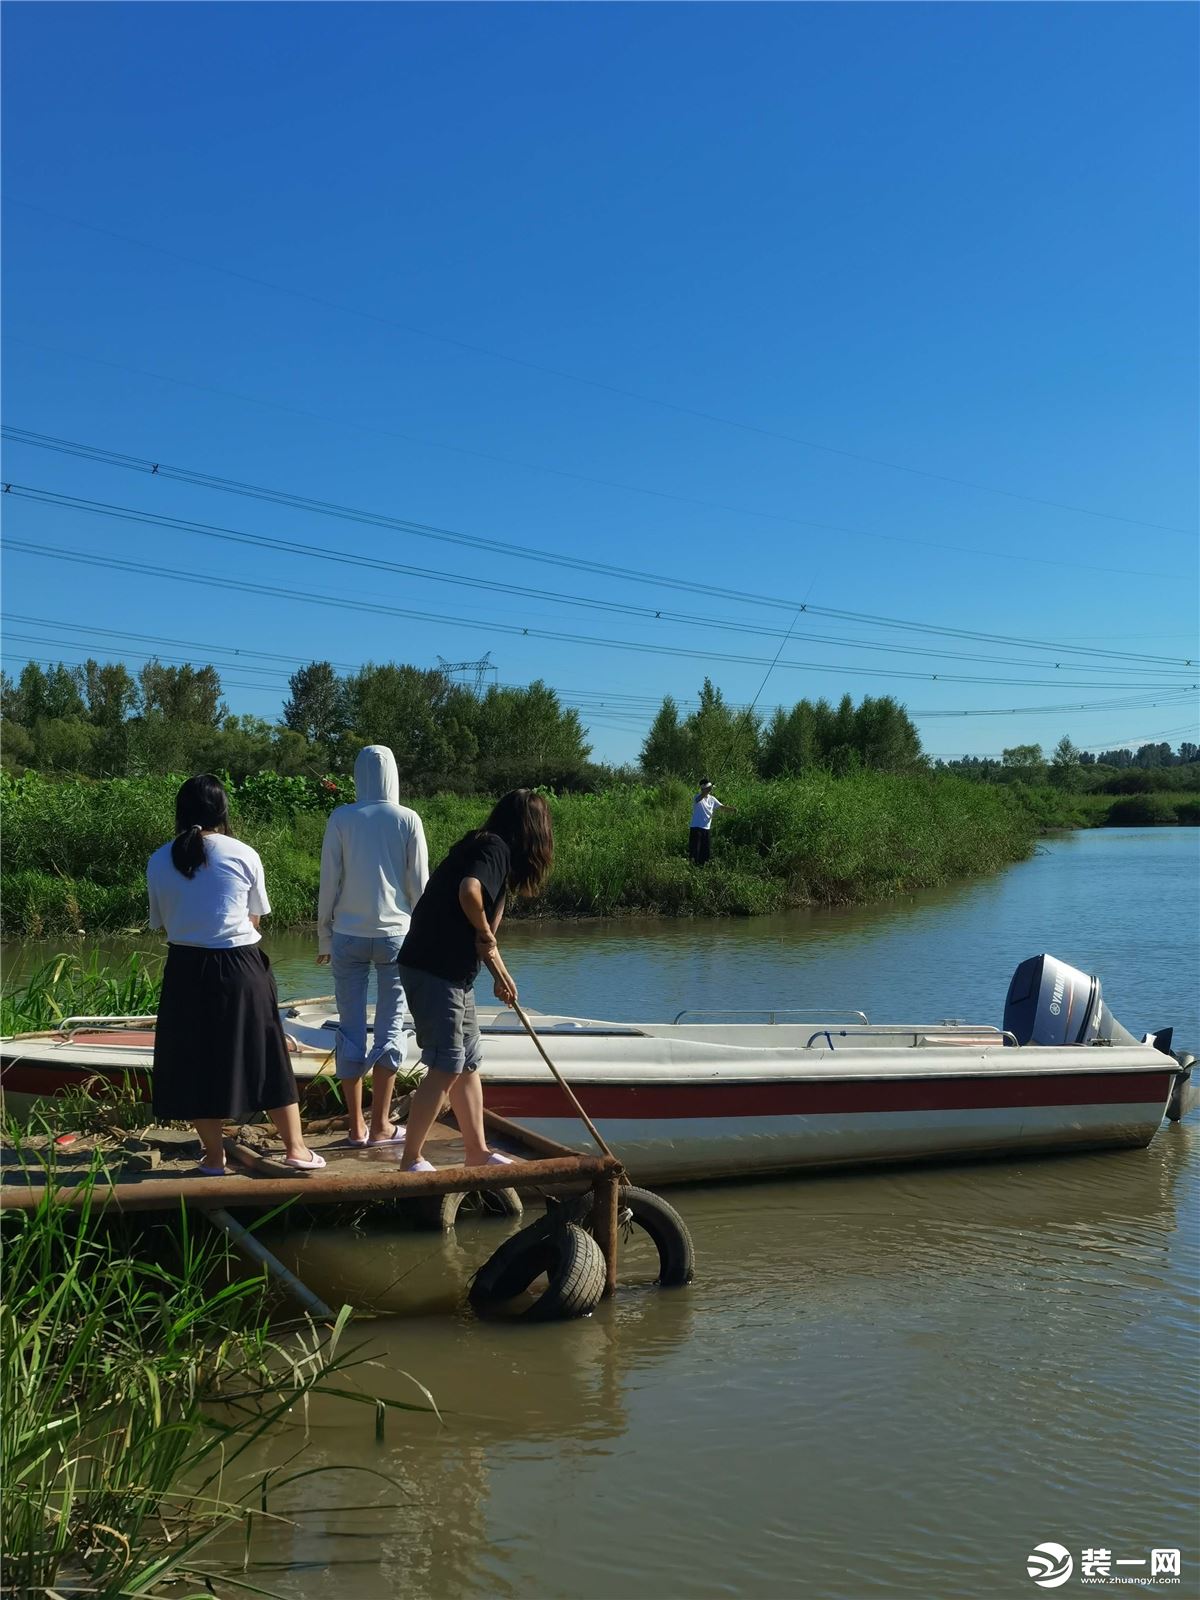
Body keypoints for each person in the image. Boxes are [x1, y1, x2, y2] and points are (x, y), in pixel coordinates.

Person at [147, 774, 324, 1176]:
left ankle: (213, 1158)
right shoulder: (243, 852)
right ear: (222, 811)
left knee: (196, 1061)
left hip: (186, 967)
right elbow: (254, 917)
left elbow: (162, 922)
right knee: (267, 1054)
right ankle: (296, 1150)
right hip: (240, 965)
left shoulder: (159, 859)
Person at [397, 789, 554, 1173]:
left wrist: (502, 975)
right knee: (448, 1063)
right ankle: (411, 1157)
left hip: (451, 973)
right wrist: (486, 934)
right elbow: (469, 893)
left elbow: (486, 937)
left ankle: (476, 1151)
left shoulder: (490, 851)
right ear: (532, 831)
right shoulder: (494, 849)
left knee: (468, 1062)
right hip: (435, 969)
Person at [316, 745, 429, 1146]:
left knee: (349, 1027)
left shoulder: (342, 817)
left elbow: (329, 880)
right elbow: (420, 886)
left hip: (347, 935)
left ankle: (355, 1127)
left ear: (357, 775)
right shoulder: (408, 819)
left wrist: (323, 936)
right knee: (390, 1026)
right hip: (397, 936)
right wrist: (427, 937)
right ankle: (381, 1125)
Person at [688, 777, 735, 866]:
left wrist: (732, 810)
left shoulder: (712, 799)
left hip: (706, 828)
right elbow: (700, 797)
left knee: (705, 851)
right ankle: (692, 868)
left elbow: (722, 807)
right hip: (696, 828)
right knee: (695, 851)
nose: (709, 790)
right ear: (702, 788)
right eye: (706, 788)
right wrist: (706, 789)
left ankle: (702, 868)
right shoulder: (697, 797)